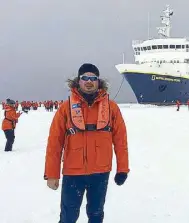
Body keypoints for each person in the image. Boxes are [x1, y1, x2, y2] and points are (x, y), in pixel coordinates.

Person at [44, 63, 130, 223]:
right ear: (78, 81)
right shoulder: (65, 108)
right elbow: (54, 144)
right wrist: (52, 174)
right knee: (68, 216)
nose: (89, 81)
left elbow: (120, 141)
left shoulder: (112, 108)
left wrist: (123, 169)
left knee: (96, 214)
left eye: (93, 78)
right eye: (85, 78)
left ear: (98, 81)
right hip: (73, 173)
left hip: (100, 172)